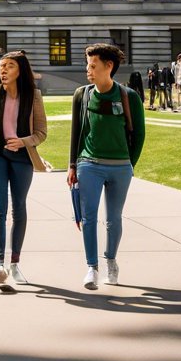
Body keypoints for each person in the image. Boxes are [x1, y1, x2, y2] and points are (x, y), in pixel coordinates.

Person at [68, 43, 146, 290]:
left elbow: (140, 135)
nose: (88, 70)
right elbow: (76, 132)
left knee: (113, 219)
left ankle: (110, 260)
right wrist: (72, 165)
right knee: (89, 218)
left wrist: (129, 164)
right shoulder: (83, 94)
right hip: (89, 163)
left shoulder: (129, 96)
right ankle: (92, 268)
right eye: (87, 65)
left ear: (108, 66)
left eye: (93, 65)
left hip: (120, 167)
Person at [0, 51, 49, 292]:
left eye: (10, 66)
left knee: (19, 208)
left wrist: (23, 141)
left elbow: (41, 133)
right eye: (1, 66)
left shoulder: (33, 96)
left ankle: (15, 263)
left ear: (20, 70)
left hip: (22, 158)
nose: (3, 70)